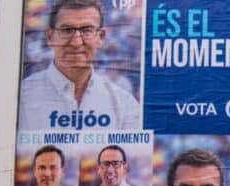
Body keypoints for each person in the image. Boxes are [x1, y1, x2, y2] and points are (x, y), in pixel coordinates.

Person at [18, 0, 142, 130]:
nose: (76, 42)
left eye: (87, 30)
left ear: (101, 37)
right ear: (50, 37)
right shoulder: (21, 98)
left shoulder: (124, 105)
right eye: (67, 30)